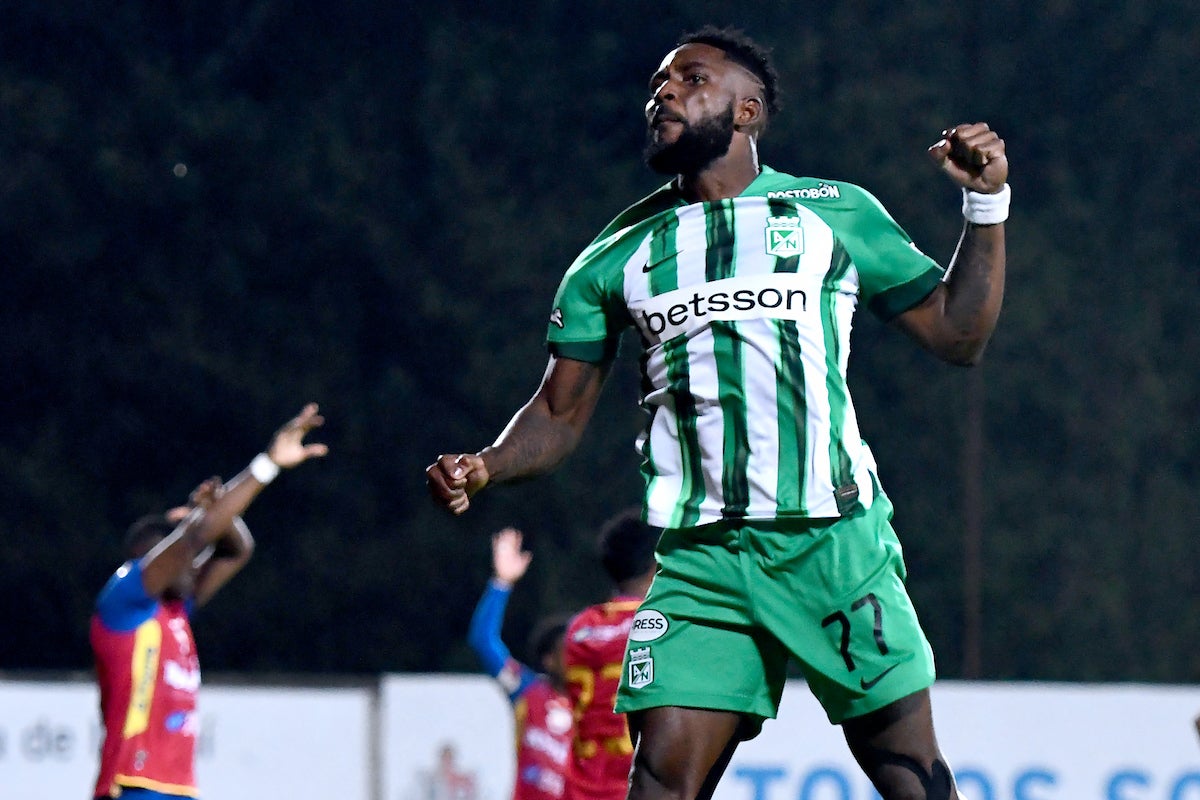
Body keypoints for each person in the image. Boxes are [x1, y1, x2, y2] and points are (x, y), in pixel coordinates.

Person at [427, 23, 1007, 800]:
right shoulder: (615, 254)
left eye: (691, 80)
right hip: (704, 560)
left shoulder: (833, 212)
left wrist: (986, 202)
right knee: (662, 778)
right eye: (658, 84)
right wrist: (489, 464)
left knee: (911, 782)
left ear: (747, 112)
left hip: (833, 542)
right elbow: (559, 415)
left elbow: (958, 333)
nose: (662, 93)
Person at [91, 403, 328, 800]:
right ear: (149, 557)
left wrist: (219, 514)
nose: (191, 567)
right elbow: (194, 541)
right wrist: (267, 464)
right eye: (179, 561)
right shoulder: (125, 602)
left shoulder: (175, 613)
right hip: (132, 784)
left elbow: (236, 551)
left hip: (178, 787)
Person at [468, 527, 574, 800]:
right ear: (549, 660)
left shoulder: (597, 702)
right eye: (568, 651)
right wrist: (501, 583)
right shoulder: (527, 691)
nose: (577, 657)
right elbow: (483, 641)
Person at [561, 509, 659, 800]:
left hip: (577, 788)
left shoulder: (580, 628)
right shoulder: (658, 625)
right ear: (657, 565)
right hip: (630, 789)